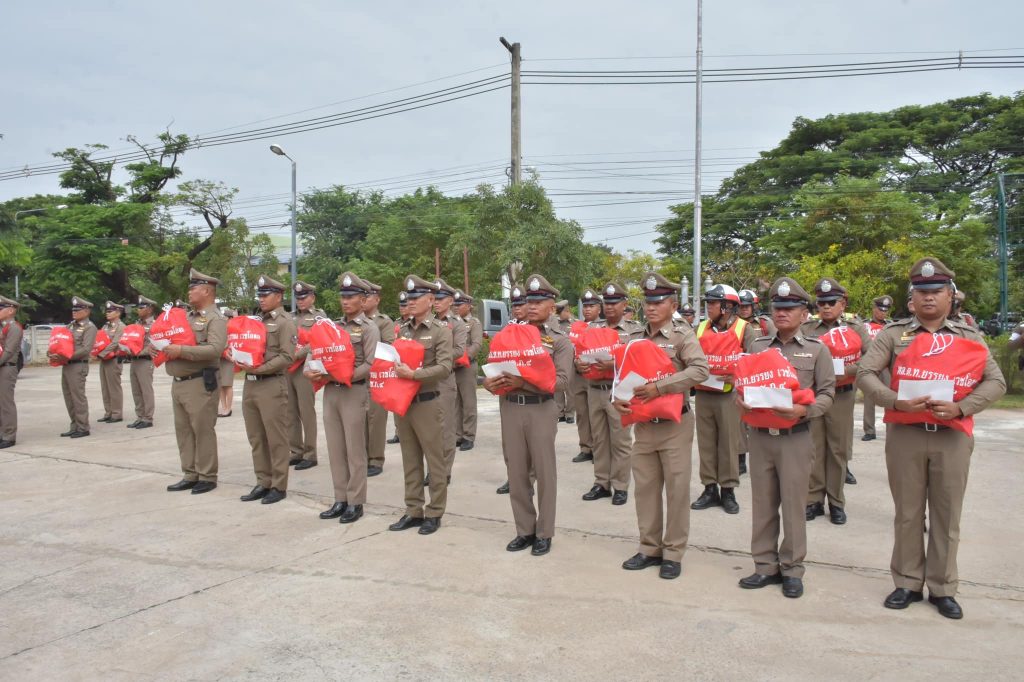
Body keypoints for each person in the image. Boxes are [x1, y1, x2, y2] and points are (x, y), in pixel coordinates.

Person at [858, 258, 1005, 620]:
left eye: (936, 291)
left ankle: (942, 588)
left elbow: (996, 381)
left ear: (950, 296)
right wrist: (895, 401)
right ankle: (907, 582)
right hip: (905, 435)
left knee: (946, 514)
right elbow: (865, 373)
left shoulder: (968, 336)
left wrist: (962, 408)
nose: (928, 297)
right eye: (921, 291)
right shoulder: (893, 335)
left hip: (951, 436)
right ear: (912, 298)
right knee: (908, 514)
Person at [736, 277, 835, 599]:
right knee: (763, 504)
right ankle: (764, 566)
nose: (781, 313)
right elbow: (743, 384)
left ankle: (792, 569)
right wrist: (740, 400)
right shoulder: (758, 347)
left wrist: (805, 411)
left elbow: (827, 393)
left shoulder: (817, 350)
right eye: (777, 307)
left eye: (789, 308)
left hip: (796, 436)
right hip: (761, 437)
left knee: (794, 506)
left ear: (804, 314)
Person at [615, 273, 709, 580]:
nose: (651, 307)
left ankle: (673, 552)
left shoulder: (682, 335)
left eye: (658, 302)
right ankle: (649, 548)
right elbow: (621, 375)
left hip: (674, 425)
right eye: (648, 302)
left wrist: (660, 387)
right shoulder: (635, 337)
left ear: (673, 305)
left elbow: (700, 370)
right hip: (643, 425)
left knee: (677, 490)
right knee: (645, 489)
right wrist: (617, 400)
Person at [484, 273, 572, 556]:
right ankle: (524, 529)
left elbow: (562, 382)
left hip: (541, 408)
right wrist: (489, 383)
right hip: (510, 406)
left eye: (539, 301)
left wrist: (525, 382)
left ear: (552, 306)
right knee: (517, 471)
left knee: (545, 473)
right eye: (529, 301)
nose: (532, 306)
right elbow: (495, 365)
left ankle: (544, 532)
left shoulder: (559, 340)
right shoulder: (510, 334)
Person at [311, 272, 379, 524]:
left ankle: (355, 501)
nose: (346, 301)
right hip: (331, 391)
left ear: (363, 300)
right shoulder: (333, 327)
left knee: (354, 449)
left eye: (351, 297)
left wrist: (347, 375)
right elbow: (317, 352)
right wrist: (312, 369)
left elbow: (371, 363)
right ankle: (340, 498)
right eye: (343, 297)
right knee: (335, 448)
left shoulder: (369, 328)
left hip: (353, 391)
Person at [800, 278, 869, 526]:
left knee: (837, 450)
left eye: (831, 302)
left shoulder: (856, 328)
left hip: (842, 395)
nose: (826, 307)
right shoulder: (807, 328)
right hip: (816, 395)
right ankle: (814, 500)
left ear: (843, 304)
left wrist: (847, 371)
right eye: (822, 303)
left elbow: (872, 359)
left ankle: (836, 502)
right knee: (814, 449)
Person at [388, 275, 453, 535]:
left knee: (434, 461)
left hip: (427, 402)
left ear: (430, 299)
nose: (411, 302)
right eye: (409, 298)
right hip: (405, 403)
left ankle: (434, 512)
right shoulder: (403, 330)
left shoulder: (440, 331)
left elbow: (445, 367)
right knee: (410, 459)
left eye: (416, 298)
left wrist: (414, 375)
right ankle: (413, 510)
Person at [692, 284, 758, 515]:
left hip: (729, 394)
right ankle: (709, 488)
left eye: (712, 303)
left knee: (729, 444)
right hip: (704, 393)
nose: (708, 307)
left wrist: (738, 376)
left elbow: (754, 363)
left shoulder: (744, 329)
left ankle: (728, 490)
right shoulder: (700, 328)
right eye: (707, 303)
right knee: (706, 443)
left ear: (727, 306)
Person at [578, 282, 643, 506]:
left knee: (621, 441)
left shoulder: (634, 330)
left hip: (620, 392)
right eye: (607, 303)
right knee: (599, 439)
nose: (609, 307)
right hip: (594, 390)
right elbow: (580, 353)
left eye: (615, 303)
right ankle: (601, 483)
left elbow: (639, 360)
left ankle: (620, 486)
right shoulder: (592, 328)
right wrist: (579, 364)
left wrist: (614, 364)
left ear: (624, 304)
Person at [163, 270, 227, 494]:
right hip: (179, 382)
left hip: (199, 382)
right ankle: (190, 473)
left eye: (194, 288)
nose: (189, 292)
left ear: (207, 291)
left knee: (202, 430)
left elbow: (215, 349)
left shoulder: (215, 319)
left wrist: (181, 350)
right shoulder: (186, 318)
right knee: (183, 431)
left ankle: (207, 476)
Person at [239, 275, 297, 505]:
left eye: (266, 295)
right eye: (260, 295)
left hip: (272, 384)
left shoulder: (285, 322)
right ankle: (263, 481)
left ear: (279, 296)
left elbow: (287, 356)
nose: (261, 299)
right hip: (251, 383)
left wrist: (260, 368)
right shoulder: (256, 321)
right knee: (256, 437)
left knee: (276, 438)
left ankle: (278, 485)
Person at [432, 278, 467, 485]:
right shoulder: (429, 322)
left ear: (450, 301)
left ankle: (444, 471)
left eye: (440, 299)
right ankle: (433, 468)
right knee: (430, 428)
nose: (436, 302)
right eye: (434, 298)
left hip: (445, 379)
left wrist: (438, 357)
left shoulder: (457, 324)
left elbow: (460, 350)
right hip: (427, 379)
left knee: (445, 427)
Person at [287, 281, 325, 471]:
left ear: (312, 298)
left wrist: (299, 354)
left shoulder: (319, 317)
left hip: (306, 368)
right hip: (288, 368)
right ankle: (296, 451)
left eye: (304, 297)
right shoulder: (290, 317)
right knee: (290, 411)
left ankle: (310, 454)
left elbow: (321, 340)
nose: (300, 301)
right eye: (298, 298)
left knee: (306, 411)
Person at [52, 296, 96, 438]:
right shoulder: (70, 326)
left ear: (87, 311)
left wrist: (67, 356)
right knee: (69, 397)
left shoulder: (90, 327)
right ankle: (74, 425)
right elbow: (61, 342)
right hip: (66, 365)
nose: (74, 312)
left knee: (78, 397)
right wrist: (53, 352)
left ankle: (83, 427)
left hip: (78, 365)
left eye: (78, 310)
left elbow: (86, 349)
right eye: (73, 309)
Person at [363, 280, 395, 476]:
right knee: (359, 421)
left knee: (375, 421)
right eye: (362, 296)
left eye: (367, 297)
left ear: (377, 300)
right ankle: (362, 457)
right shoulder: (355, 321)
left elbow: (389, 348)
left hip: (376, 378)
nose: (364, 300)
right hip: (357, 379)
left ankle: (375, 459)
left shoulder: (384, 322)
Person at [571, 289, 601, 464]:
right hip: (579, 376)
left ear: (599, 308)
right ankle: (586, 448)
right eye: (586, 306)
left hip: (596, 375)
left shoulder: (604, 327)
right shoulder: (577, 327)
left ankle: (599, 449)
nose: (588, 309)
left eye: (592, 306)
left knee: (596, 415)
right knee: (582, 413)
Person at [860, 295, 893, 444]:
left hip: (886, 366)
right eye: (880, 310)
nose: (883, 313)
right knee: (869, 398)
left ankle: (891, 429)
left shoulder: (890, 326)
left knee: (889, 397)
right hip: (870, 365)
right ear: (874, 309)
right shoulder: (864, 325)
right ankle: (869, 431)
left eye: (885, 311)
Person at [454, 289, 482, 451]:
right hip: (452, 367)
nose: (456, 307)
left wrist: (463, 358)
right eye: (455, 304)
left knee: (468, 402)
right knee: (455, 402)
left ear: (469, 305)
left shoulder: (473, 323)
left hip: (466, 367)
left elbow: (476, 344)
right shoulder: (452, 322)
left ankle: (468, 435)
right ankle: (458, 434)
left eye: (460, 304)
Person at [126, 296, 157, 429]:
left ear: (149, 309)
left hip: (145, 360)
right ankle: (140, 416)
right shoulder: (136, 324)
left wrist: (139, 352)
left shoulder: (154, 325)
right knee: (136, 390)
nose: (138, 310)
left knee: (145, 390)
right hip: (134, 360)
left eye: (141, 307)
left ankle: (148, 418)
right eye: (138, 308)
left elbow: (153, 345)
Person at [386, 291, 410, 446]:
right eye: (401, 305)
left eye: (405, 305)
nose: (402, 308)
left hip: (409, 366)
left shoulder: (415, 322)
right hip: (396, 365)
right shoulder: (395, 323)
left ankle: (408, 432)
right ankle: (398, 432)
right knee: (396, 401)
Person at [97, 301, 126, 424]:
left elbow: (115, 343)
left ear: (118, 313)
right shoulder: (106, 326)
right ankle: (108, 412)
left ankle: (116, 413)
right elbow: (99, 340)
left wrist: (101, 353)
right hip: (104, 359)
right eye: (107, 311)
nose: (107, 313)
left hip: (113, 359)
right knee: (105, 388)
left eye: (110, 311)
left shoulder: (121, 326)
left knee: (114, 388)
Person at [0, 295, 23, 448]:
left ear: (10, 310)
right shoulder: (3, 327)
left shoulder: (14, 327)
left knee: (6, 403)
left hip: (7, 367)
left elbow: (8, 351)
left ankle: (9, 435)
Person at [554, 299, 577, 424]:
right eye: (565, 311)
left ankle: (570, 413)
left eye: (568, 311)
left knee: (570, 387)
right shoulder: (553, 323)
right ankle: (560, 412)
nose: (567, 313)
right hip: (557, 358)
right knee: (557, 386)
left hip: (571, 359)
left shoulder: (574, 323)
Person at [218, 308, 237, 417]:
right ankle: (224, 407)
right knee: (221, 385)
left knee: (228, 384)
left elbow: (229, 343)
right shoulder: (222, 327)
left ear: (229, 318)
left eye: (225, 316)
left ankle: (228, 408)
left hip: (228, 358)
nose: (223, 318)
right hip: (220, 358)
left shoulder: (233, 328)